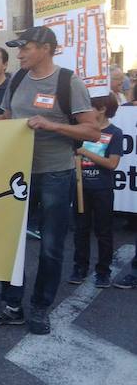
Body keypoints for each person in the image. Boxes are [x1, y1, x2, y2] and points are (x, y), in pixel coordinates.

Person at [0, 26, 98, 335]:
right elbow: (7, 121)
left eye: (25, 47)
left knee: (50, 245)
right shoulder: (18, 80)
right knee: (9, 241)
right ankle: (11, 306)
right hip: (17, 172)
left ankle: (40, 307)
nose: (19, 53)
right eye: (18, 48)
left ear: (46, 48)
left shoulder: (68, 81)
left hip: (55, 173)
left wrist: (52, 125)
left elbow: (91, 131)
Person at [68, 94, 122, 288]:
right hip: (80, 188)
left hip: (102, 189)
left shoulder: (115, 132)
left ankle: (103, 271)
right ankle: (79, 267)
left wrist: (85, 152)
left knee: (103, 231)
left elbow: (112, 163)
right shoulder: (81, 131)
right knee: (80, 230)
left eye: (90, 107)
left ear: (102, 109)